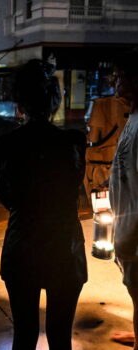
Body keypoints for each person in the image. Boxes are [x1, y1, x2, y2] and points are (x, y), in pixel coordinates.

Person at [0, 59, 87, 350]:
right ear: (54, 101)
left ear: (19, 102)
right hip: (65, 247)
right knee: (60, 337)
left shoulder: (4, 145)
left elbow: (7, 198)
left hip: (22, 247)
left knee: (24, 335)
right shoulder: (74, 141)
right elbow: (75, 190)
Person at [109, 48, 138, 348]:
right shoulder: (133, 119)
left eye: (119, 77)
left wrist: (126, 241)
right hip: (129, 233)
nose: (115, 84)